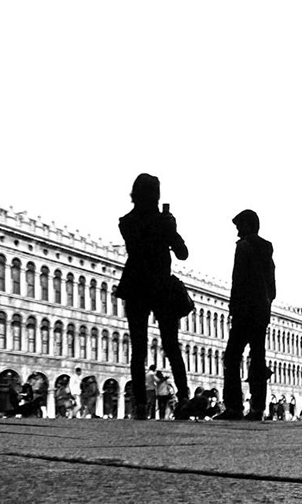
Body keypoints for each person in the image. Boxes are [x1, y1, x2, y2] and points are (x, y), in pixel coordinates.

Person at [115, 173, 190, 420]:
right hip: (160, 286)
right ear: (156, 195)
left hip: (135, 285)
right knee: (171, 344)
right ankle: (185, 398)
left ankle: (139, 406)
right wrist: (171, 228)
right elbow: (182, 254)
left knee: (138, 348)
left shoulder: (126, 222)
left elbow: (137, 249)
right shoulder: (162, 223)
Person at [216, 209, 276, 421]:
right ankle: (258, 408)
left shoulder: (243, 247)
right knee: (258, 357)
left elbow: (238, 279)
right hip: (261, 311)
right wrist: (265, 303)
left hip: (244, 310)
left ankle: (234, 407)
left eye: (239, 226)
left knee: (232, 357)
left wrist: (234, 307)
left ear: (248, 225)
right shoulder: (267, 249)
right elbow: (272, 285)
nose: (238, 231)